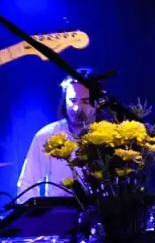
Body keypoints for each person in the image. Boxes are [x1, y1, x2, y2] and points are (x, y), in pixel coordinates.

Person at [16, 68, 96, 201]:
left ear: (98, 103)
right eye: (72, 100)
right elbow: (27, 184)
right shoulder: (47, 135)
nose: (76, 107)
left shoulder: (111, 135)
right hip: (60, 215)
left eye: (85, 101)